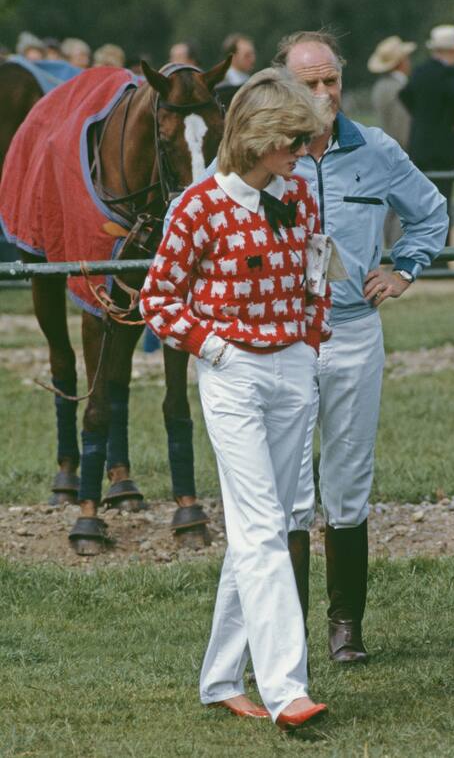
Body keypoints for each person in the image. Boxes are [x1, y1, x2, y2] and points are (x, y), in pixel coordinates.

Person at [140, 68, 330, 729]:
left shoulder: (299, 194)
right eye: (294, 140)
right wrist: (215, 349)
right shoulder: (197, 206)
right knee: (261, 528)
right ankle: (287, 690)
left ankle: (221, 678)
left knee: (264, 527)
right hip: (233, 374)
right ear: (257, 138)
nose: (303, 151)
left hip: (292, 368)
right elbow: (158, 298)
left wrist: (309, 337)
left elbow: (315, 270)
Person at [272, 30, 448, 664]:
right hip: (283, 339)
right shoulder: (260, 152)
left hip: (353, 331)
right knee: (288, 487)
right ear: (283, 84)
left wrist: (404, 268)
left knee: (348, 480)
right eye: (309, 83)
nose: (323, 92)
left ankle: (346, 626)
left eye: (332, 80)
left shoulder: (376, 149)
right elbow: (201, 208)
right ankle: (284, 632)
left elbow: (431, 212)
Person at [399, 24, 454, 247]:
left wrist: (421, 118)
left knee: (420, 203)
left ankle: (420, 250)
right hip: (445, 148)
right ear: (451, 51)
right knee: (443, 202)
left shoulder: (419, 72)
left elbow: (405, 95)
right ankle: (442, 254)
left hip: (419, 145)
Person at [368, 35, 416, 246]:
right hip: (398, 152)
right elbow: (402, 127)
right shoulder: (398, 89)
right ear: (401, 62)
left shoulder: (381, 86)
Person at [216, 33, 257, 110]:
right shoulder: (219, 86)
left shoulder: (254, 82)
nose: (253, 59)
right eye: (247, 55)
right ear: (232, 57)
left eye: (253, 54)